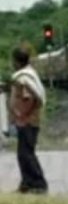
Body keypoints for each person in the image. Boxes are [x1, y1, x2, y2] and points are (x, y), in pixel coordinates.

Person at [10, 47, 48, 194]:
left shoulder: (22, 79)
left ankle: (38, 183)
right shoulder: (29, 75)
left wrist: (21, 114)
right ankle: (27, 183)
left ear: (17, 61)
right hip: (30, 120)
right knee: (23, 153)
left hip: (28, 121)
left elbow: (28, 98)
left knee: (26, 153)